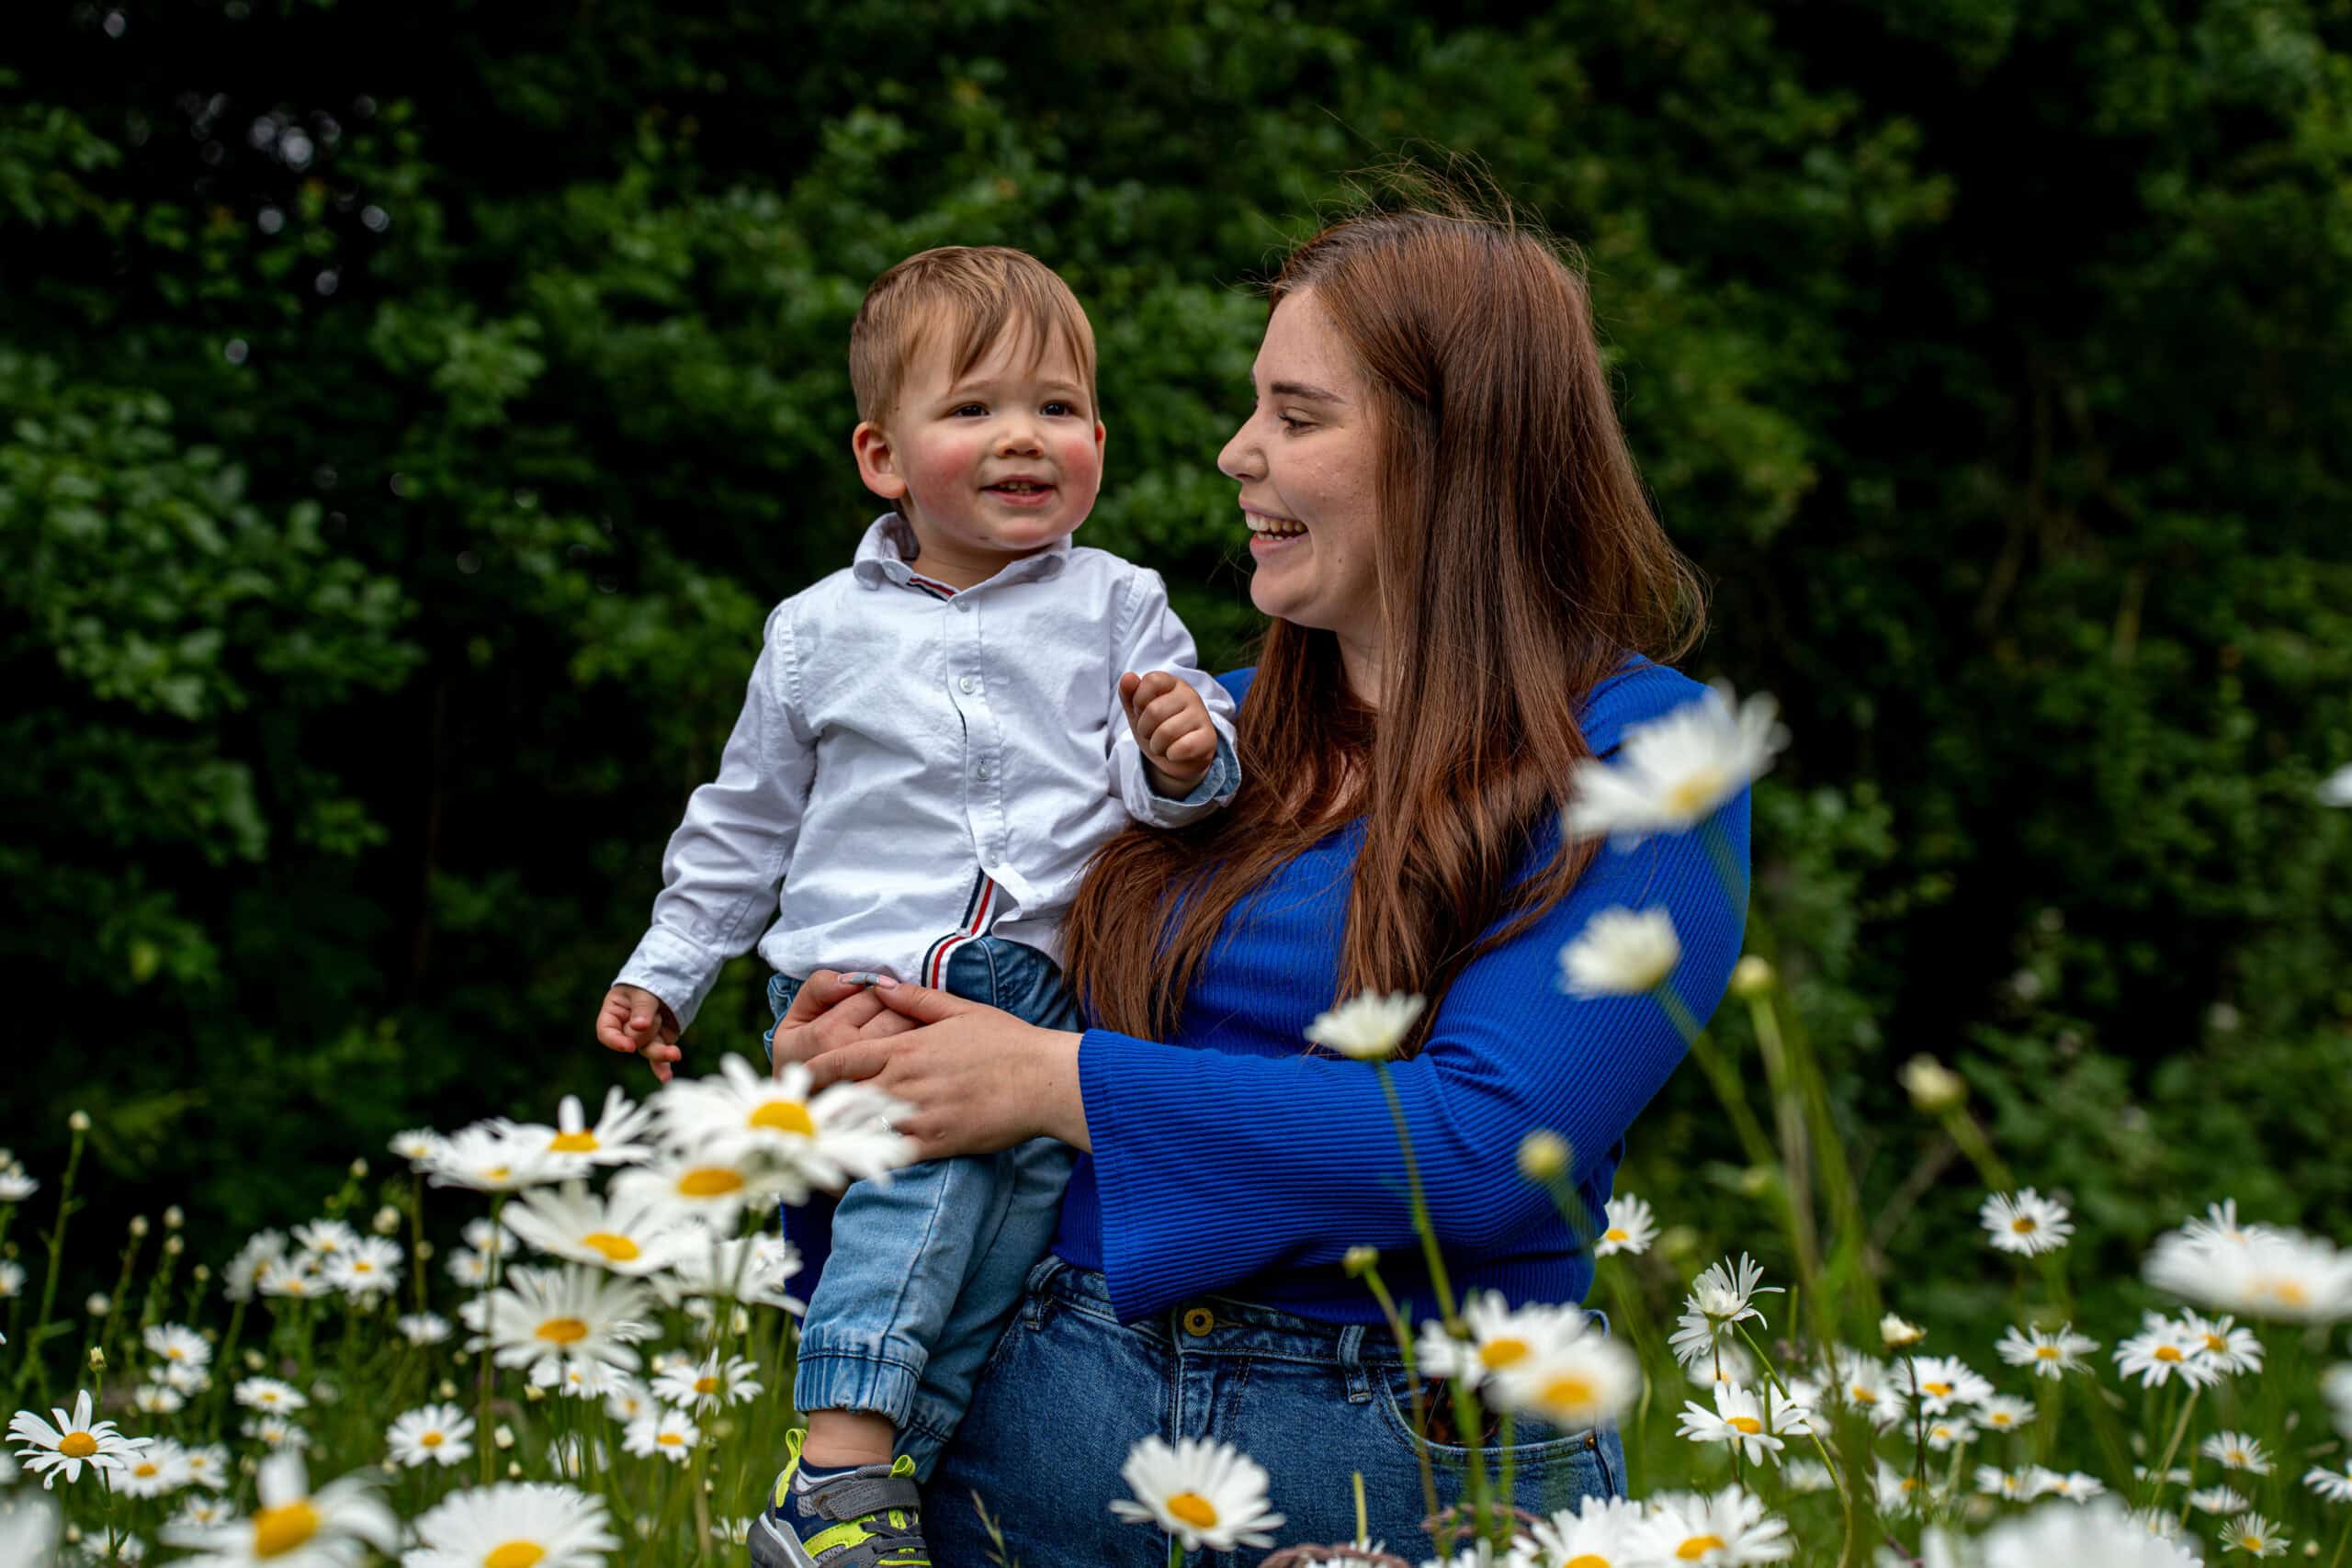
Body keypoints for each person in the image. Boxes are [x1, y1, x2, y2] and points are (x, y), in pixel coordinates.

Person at [767, 193, 1752, 1564]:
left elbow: (1486, 1154)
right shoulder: (1177, 743)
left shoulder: (1646, 754)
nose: (1238, 455)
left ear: (1451, 449)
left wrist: (1053, 1080)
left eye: (1298, 417)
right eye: (1253, 411)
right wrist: (856, 1070)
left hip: (1407, 1467)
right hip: (1034, 1437)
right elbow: (968, 1044)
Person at [593, 245, 1241, 1568]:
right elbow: (745, 822)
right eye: (975, 409)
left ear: (1101, 440)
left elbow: (1169, 771)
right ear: (883, 458)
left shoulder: (1122, 604)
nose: (1024, 438)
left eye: (1057, 409)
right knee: (922, 1210)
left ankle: (865, 1507)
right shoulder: (816, 631)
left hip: (1039, 990)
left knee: (995, 1265)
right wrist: (670, 967)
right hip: (866, 986)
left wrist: (1186, 753)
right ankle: (836, 1462)